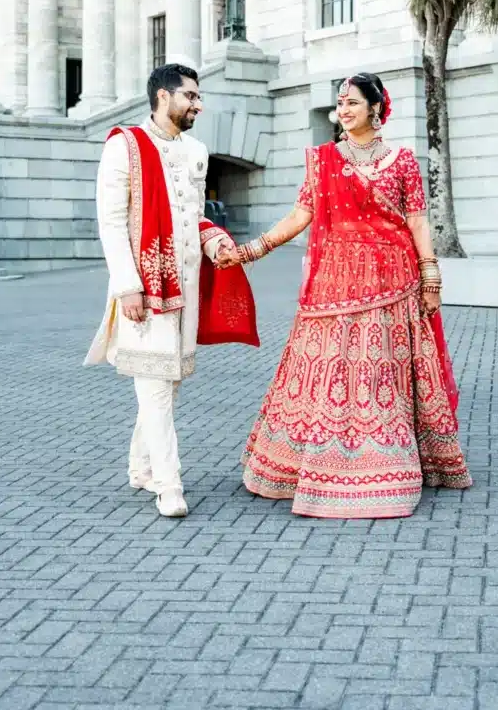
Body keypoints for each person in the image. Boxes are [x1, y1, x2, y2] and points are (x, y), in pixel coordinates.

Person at [232, 72, 472, 518]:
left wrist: (431, 275)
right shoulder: (323, 160)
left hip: (393, 280)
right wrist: (253, 249)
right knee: (329, 369)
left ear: (376, 108)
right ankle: (313, 464)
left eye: (352, 103)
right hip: (334, 281)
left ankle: (388, 466)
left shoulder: (401, 160)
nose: (342, 111)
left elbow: (418, 222)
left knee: (383, 371)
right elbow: (301, 213)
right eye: (339, 103)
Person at [85, 63, 256, 517]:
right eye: (190, 96)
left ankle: (140, 468)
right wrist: (127, 287)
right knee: (156, 385)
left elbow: (194, 214)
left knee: (170, 382)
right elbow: (112, 221)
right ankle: (169, 485)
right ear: (164, 97)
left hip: (186, 286)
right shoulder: (125, 146)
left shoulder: (197, 150)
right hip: (145, 285)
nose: (198, 104)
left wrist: (214, 236)